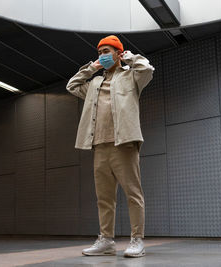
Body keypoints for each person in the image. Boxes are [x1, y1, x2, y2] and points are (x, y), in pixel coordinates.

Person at [66, 35, 155, 257]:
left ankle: (137, 240)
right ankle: (106, 240)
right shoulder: (94, 83)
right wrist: (91, 68)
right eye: (100, 52)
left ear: (118, 53)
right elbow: (72, 85)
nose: (103, 55)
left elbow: (147, 69)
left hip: (123, 143)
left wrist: (130, 57)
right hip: (99, 145)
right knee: (104, 197)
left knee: (133, 193)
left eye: (107, 51)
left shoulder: (131, 76)